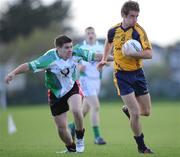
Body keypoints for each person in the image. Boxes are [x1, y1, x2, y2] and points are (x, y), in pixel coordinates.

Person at [5, 35, 107, 153]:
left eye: (71, 46)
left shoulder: (76, 52)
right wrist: (13, 73)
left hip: (72, 86)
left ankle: (80, 137)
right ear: (58, 48)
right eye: (66, 47)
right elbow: (28, 66)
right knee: (61, 129)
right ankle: (71, 147)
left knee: (76, 110)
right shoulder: (48, 58)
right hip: (55, 92)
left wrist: (116, 57)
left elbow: (97, 56)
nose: (70, 49)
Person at [97, 0, 154, 154]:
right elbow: (108, 43)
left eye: (137, 16)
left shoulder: (139, 32)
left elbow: (149, 54)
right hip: (121, 75)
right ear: (123, 15)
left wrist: (133, 53)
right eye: (132, 16)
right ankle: (142, 147)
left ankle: (126, 110)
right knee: (135, 112)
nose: (135, 19)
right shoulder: (113, 31)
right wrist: (104, 58)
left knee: (147, 112)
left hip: (138, 74)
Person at [68, 27, 107, 145]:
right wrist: (79, 67)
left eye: (92, 33)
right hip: (85, 80)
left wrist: (104, 63)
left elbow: (108, 62)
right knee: (95, 107)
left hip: (96, 81)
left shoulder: (101, 48)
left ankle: (72, 126)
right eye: (88, 33)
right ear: (86, 35)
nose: (90, 35)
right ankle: (97, 137)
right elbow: (70, 59)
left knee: (85, 109)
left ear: (95, 35)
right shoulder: (80, 47)